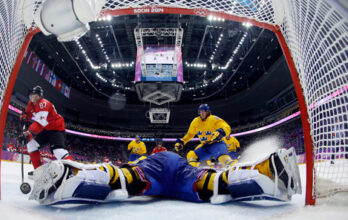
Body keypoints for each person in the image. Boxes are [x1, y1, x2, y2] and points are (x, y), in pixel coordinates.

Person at [29, 147, 302, 206]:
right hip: (180, 167)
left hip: (155, 169)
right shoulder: (180, 156)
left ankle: (72, 173)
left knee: (125, 178)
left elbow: (130, 166)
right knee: (211, 183)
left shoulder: (144, 157)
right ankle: (268, 169)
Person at [18, 85, 73, 176]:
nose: (33, 98)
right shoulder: (31, 104)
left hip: (57, 129)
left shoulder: (44, 103)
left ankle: (74, 171)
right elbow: (28, 114)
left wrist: (28, 134)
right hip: (46, 129)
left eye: (36, 96)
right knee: (31, 145)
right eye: (32, 95)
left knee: (58, 151)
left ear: (40, 96)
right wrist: (25, 117)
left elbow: (40, 123)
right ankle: (39, 171)